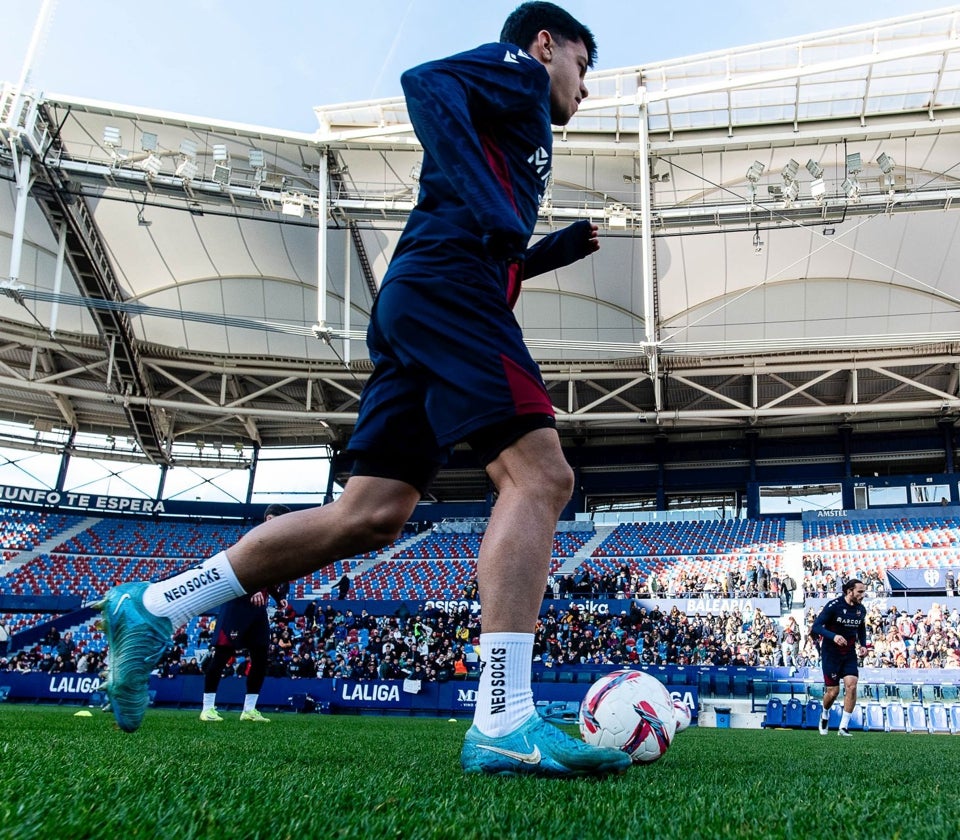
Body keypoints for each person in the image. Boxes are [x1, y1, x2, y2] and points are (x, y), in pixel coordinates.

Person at [94, 2, 630, 778]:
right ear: (547, 45)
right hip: (448, 291)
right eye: (584, 65)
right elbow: (423, 84)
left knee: (371, 513)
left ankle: (154, 607)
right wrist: (495, 212)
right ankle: (505, 718)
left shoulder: (511, 124)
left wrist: (545, 252)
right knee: (541, 475)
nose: (586, 87)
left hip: (424, 292)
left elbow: (485, 238)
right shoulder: (515, 70)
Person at [199, 504, 292, 723]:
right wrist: (253, 590)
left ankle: (249, 710)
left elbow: (266, 576)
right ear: (270, 519)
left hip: (258, 610)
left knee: (260, 658)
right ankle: (207, 708)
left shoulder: (274, 544)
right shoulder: (253, 539)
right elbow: (238, 569)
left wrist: (279, 598)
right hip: (237, 606)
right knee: (222, 656)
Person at [811, 578, 868, 737]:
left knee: (852, 685)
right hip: (831, 653)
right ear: (849, 591)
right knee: (833, 692)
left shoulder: (861, 610)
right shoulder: (834, 606)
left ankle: (843, 727)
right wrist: (834, 636)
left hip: (849, 653)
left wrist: (863, 644)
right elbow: (816, 627)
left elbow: (861, 628)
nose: (863, 595)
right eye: (860, 592)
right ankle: (825, 714)